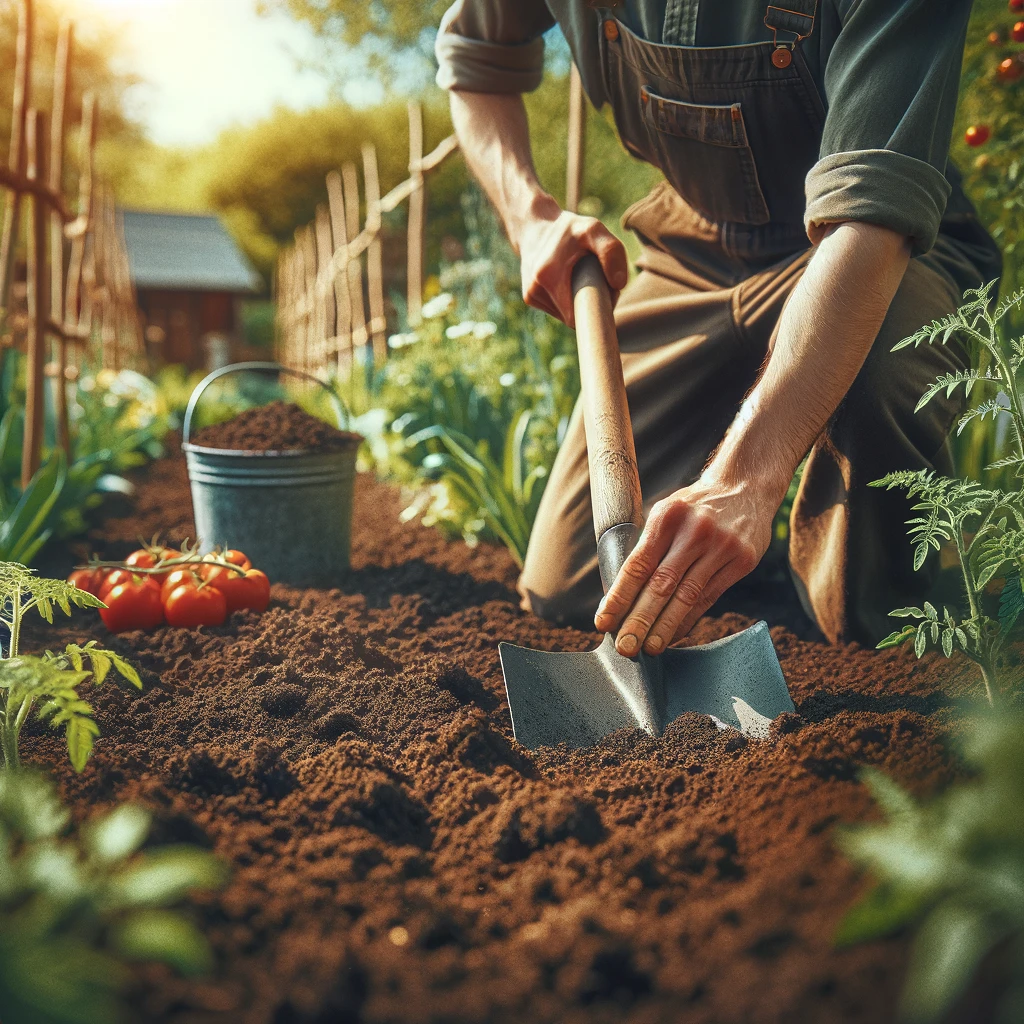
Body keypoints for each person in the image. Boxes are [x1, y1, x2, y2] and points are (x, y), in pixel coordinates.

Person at [435, 0, 1001, 655]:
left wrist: (745, 482)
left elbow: (870, 219)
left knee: (881, 398)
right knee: (575, 591)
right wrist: (529, 220)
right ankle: (735, 571)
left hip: (873, 245)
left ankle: (886, 648)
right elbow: (473, 60)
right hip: (693, 250)